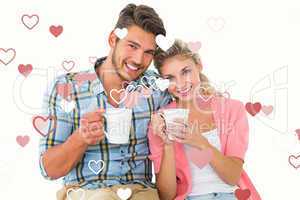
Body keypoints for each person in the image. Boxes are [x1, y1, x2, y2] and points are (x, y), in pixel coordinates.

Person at [38, 4, 171, 200]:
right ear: (112, 39)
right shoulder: (66, 87)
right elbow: (48, 170)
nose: (138, 59)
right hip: (87, 192)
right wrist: (81, 138)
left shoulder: (156, 88)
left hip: (141, 192)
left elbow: (194, 95)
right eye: (132, 46)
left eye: (148, 52)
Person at [148, 40, 261, 200]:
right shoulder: (160, 120)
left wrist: (201, 143)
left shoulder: (232, 109)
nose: (180, 84)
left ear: (199, 65)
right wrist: (167, 145)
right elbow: (166, 196)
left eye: (185, 71)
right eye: (170, 78)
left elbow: (232, 177)